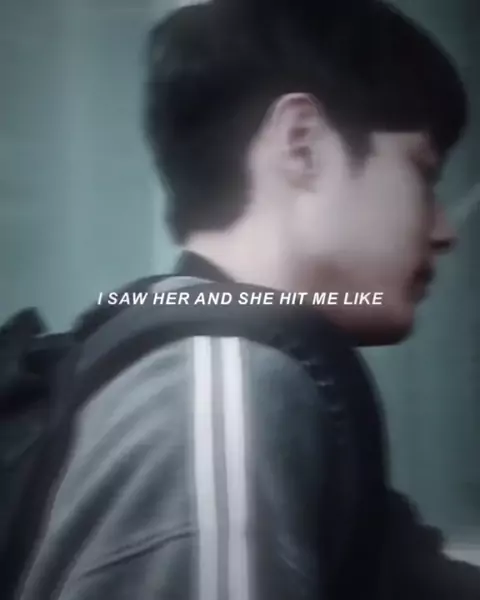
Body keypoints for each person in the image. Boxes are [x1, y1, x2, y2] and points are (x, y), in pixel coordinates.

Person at [17, 0, 480, 599]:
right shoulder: (221, 388)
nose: (444, 230)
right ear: (302, 144)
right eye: (424, 172)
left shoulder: (223, 375)